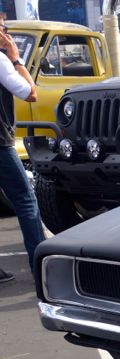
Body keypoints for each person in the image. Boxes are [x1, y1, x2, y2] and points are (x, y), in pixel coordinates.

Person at [0, 16, 44, 283]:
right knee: (26, 200)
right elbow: (30, 93)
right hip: (0, 142)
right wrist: (16, 58)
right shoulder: (2, 60)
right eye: (3, 29)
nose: (6, 34)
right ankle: (39, 265)